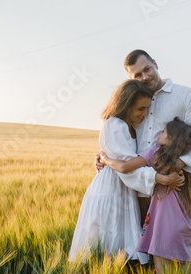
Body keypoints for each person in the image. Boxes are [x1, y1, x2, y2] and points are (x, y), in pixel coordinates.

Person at [68, 80, 184, 264]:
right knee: (104, 244)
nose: (145, 114)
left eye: (147, 108)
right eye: (140, 109)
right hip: (110, 191)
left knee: (121, 248)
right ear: (126, 105)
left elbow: (130, 162)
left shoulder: (132, 126)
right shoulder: (114, 125)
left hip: (125, 190)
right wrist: (161, 179)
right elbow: (127, 166)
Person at [96, 49, 191, 228]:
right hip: (134, 188)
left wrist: (176, 166)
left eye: (147, 69)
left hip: (172, 185)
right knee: (137, 242)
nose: (145, 77)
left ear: (155, 63)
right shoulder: (132, 102)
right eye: (137, 75)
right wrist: (104, 156)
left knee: (170, 240)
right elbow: (119, 136)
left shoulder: (185, 95)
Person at [100, 117, 191, 274]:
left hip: (163, 224)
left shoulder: (156, 153)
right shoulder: (185, 164)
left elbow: (124, 166)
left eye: (164, 131)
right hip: (184, 224)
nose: (159, 132)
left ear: (171, 139)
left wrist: (104, 159)